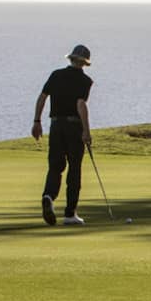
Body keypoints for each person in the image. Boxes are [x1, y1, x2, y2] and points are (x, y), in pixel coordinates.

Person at [31, 44, 94, 226]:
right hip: (73, 127)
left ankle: (49, 196)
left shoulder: (56, 75)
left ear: (71, 58)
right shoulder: (85, 81)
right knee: (74, 169)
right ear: (84, 63)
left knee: (55, 166)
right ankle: (70, 213)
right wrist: (86, 131)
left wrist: (37, 121)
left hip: (56, 125)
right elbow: (80, 105)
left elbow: (42, 98)